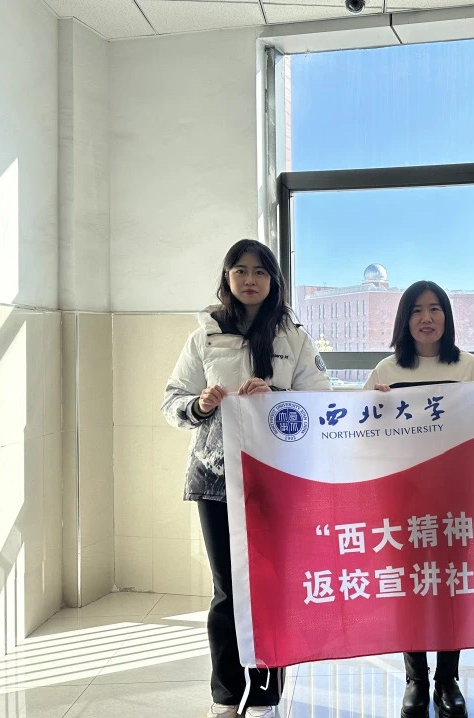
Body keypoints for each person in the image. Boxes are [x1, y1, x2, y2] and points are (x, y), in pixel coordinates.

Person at [161, 239, 331, 718]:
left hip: (275, 476)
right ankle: (224, 694)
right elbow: (172, 400)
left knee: (268, 585)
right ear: (227, 277)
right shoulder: (205, 335)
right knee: (227, 589)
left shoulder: (293, 336)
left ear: (274, 279)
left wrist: (275, 396)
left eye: (260, 271)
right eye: (240, 270)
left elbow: (321, 400)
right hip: (215, 476)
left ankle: (263, 695)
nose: (250, 279)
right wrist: (200, 405)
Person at [365, 280, 474, 718]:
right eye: (417, 310)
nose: (426, 318)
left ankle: (447, 679)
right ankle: (416, 679)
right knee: (412, 588)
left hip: (457, 493)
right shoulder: (386, 371)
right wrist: (372, 407)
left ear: (447, 316)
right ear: (404, 320)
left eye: (435, 308)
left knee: (451, 586)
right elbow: (364, 435)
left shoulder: (468, 365)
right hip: (404, 496)